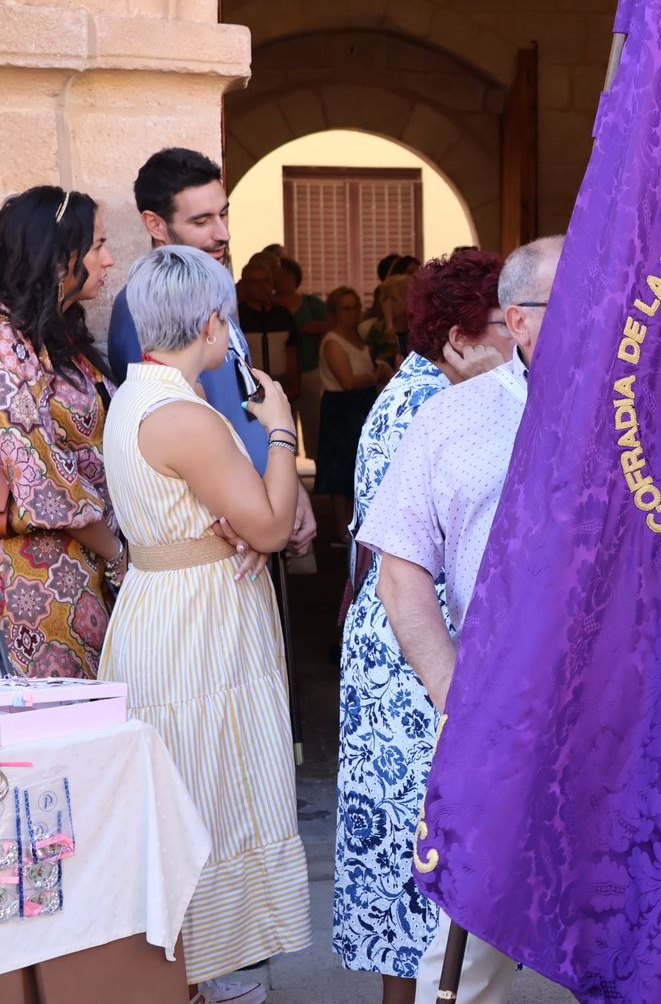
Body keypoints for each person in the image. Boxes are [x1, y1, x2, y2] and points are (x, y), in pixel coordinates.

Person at [98, 246, 311, 1004]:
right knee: (208, 785)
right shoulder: (186, 414)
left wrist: (237, 527)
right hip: (198, 623)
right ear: (212, 323)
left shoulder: (135, 395)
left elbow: (236, 520)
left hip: (163, 603)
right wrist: (281, 431)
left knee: (185, 785)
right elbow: (272, 524)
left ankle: (193, 972)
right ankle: (196, 970)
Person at [359, 236, 563, 1004]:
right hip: (500, 710)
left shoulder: (648, 408)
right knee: (470, 937)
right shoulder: (451, 417)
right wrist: (455, 694)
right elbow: (401, 570)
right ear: (520, 319)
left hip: (626, 707)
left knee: (642, 925)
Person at [333, 250, 508, 1004]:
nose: (520, 339)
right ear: (460, 338)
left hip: (397, 633)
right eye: (505, 323)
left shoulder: (421, 386)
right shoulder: (437, 405)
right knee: (424, 847)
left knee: (416, 849)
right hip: (415, 637)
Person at [108, 147, 316, 556]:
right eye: (202, 221)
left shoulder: (212, 292)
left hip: (258, 509)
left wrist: (288, 486)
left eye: (223, 215)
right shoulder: (141, 310)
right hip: (230, 538)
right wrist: (249, 525)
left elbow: (241, 405)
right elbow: (173, 441)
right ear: (155, 223)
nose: (222, 233)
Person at [0, 187, 121, 678]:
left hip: (83, 570)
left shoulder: (59, 334)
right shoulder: (6, 346)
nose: (109, 260)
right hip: (40, 588)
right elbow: (42, 479)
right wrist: (119, 554)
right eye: (98, 246)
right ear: (58, 260)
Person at [316, 288, 390, 542]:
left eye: (355, 307)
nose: (352, 313)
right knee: (340, 468)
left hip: (363, 404)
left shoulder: (360, 336)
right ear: (334, 312)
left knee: (361, 464)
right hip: (341, 408)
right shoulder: (332, 341)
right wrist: (376, 375)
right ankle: (341, 528)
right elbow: (347, 381)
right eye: (346, 308)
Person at [274, 256, 329, 459]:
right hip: (280, 371)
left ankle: (317, 460)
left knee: (313, 419)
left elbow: (335, 323)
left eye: (287, 275)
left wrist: (320, 327)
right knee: (282, 422)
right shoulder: (269, 306)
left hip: (309, 367)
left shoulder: (311, 303)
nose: (283, 279)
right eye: (279, 275)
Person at [237, 253, 301, 400]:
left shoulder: (283, 315)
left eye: (266, 281)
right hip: (249, 386)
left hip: (281, 384)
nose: (262, 287)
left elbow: (291, 353)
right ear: (245, 285)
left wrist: (295, 387)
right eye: (255, 282)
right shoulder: (237, 317)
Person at [361, 273, 413, 367]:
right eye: (385, 298)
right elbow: (380, 362)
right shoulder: (378, 328)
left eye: (393, 299)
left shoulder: (419, 327)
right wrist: (389, 325)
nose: (387, 304)